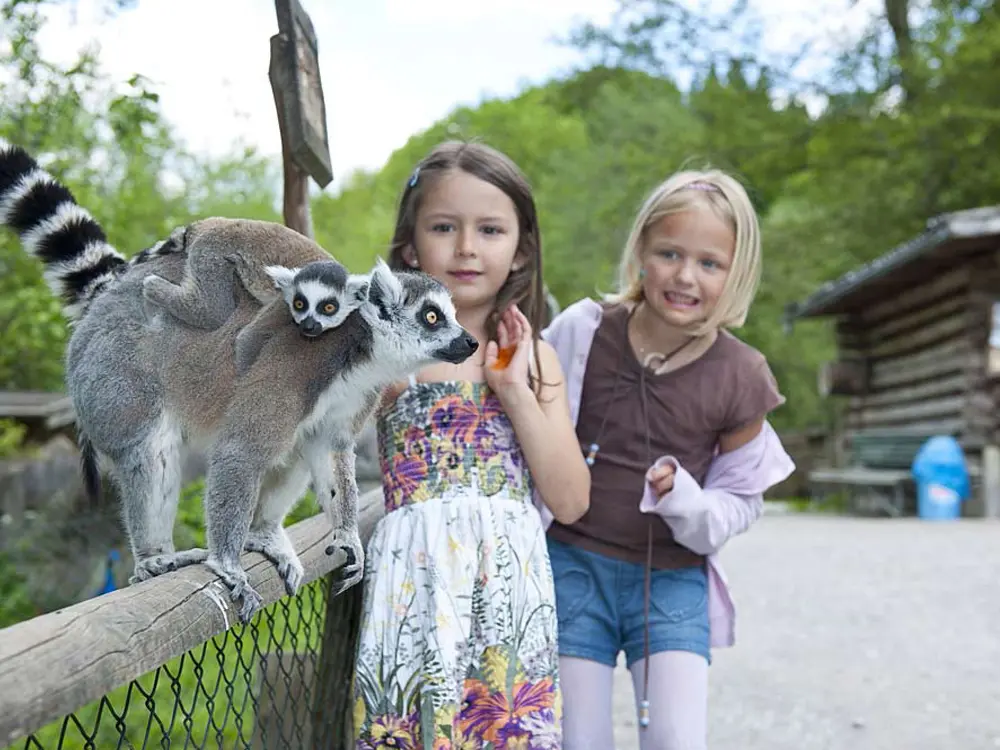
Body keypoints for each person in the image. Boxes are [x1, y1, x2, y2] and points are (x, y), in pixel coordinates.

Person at [540, 169, 795, 749]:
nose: (685, 276)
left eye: (710, 263)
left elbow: (738, 506)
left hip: (673, 583)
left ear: (737, 273)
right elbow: (526, 421)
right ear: (640, 253)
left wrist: (686, 498)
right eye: (669, 253)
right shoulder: (582, 332)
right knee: (577, 740)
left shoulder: (741, 375)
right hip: (571, 565)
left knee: (675, 740)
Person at [351, 140, 591, 750]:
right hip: (414, 583)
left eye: (489, 229)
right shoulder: (389, 358)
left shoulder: (535, 360)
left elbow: (569, 501)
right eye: (443, 227)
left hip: (508, 589)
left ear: (520, 250)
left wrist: (513, 390)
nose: (465, 247)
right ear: (410, 247)